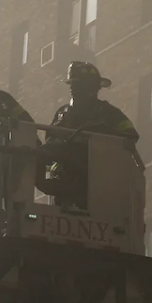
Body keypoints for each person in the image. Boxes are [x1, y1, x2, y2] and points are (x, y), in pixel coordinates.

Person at [36, 61, 138, 205]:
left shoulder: (108, 112)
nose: (72, 89)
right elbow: (51, 141)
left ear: (92, 88)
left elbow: (130, 134)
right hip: (66, 175)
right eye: (72, 84)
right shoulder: (62, 113)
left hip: (96, 174)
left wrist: (102, 133)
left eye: (78, 85)